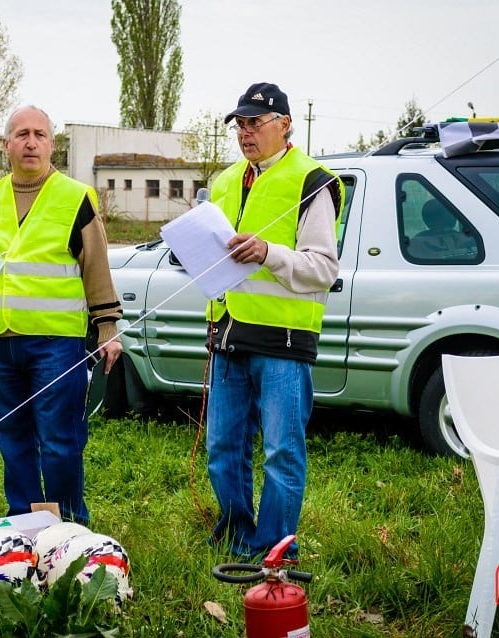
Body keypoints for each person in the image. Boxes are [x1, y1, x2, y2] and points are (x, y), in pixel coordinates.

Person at [0, 105, 123, 526]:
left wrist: (108, 328)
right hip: (0, 346)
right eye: (22, 134)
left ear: (52, 145)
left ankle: (66, 528)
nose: (31, 142)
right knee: (12, 441)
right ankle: (26, 523)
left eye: (40, 134)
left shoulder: (74, 197)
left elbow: (96, 266)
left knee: (60, 442)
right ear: (6, 145)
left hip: (56, 346)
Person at [205, 82, 343, 559]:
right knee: (223, 450)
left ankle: (276, 551)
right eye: (240, 124)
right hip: (228, 333)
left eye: (255, 123)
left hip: (283, 342)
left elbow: (323, 268)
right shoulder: (224, 182)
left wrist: (269, 253)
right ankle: (238, 536)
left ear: (285, 125)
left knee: (281, 453)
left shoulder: (312, 181)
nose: (246, 133)